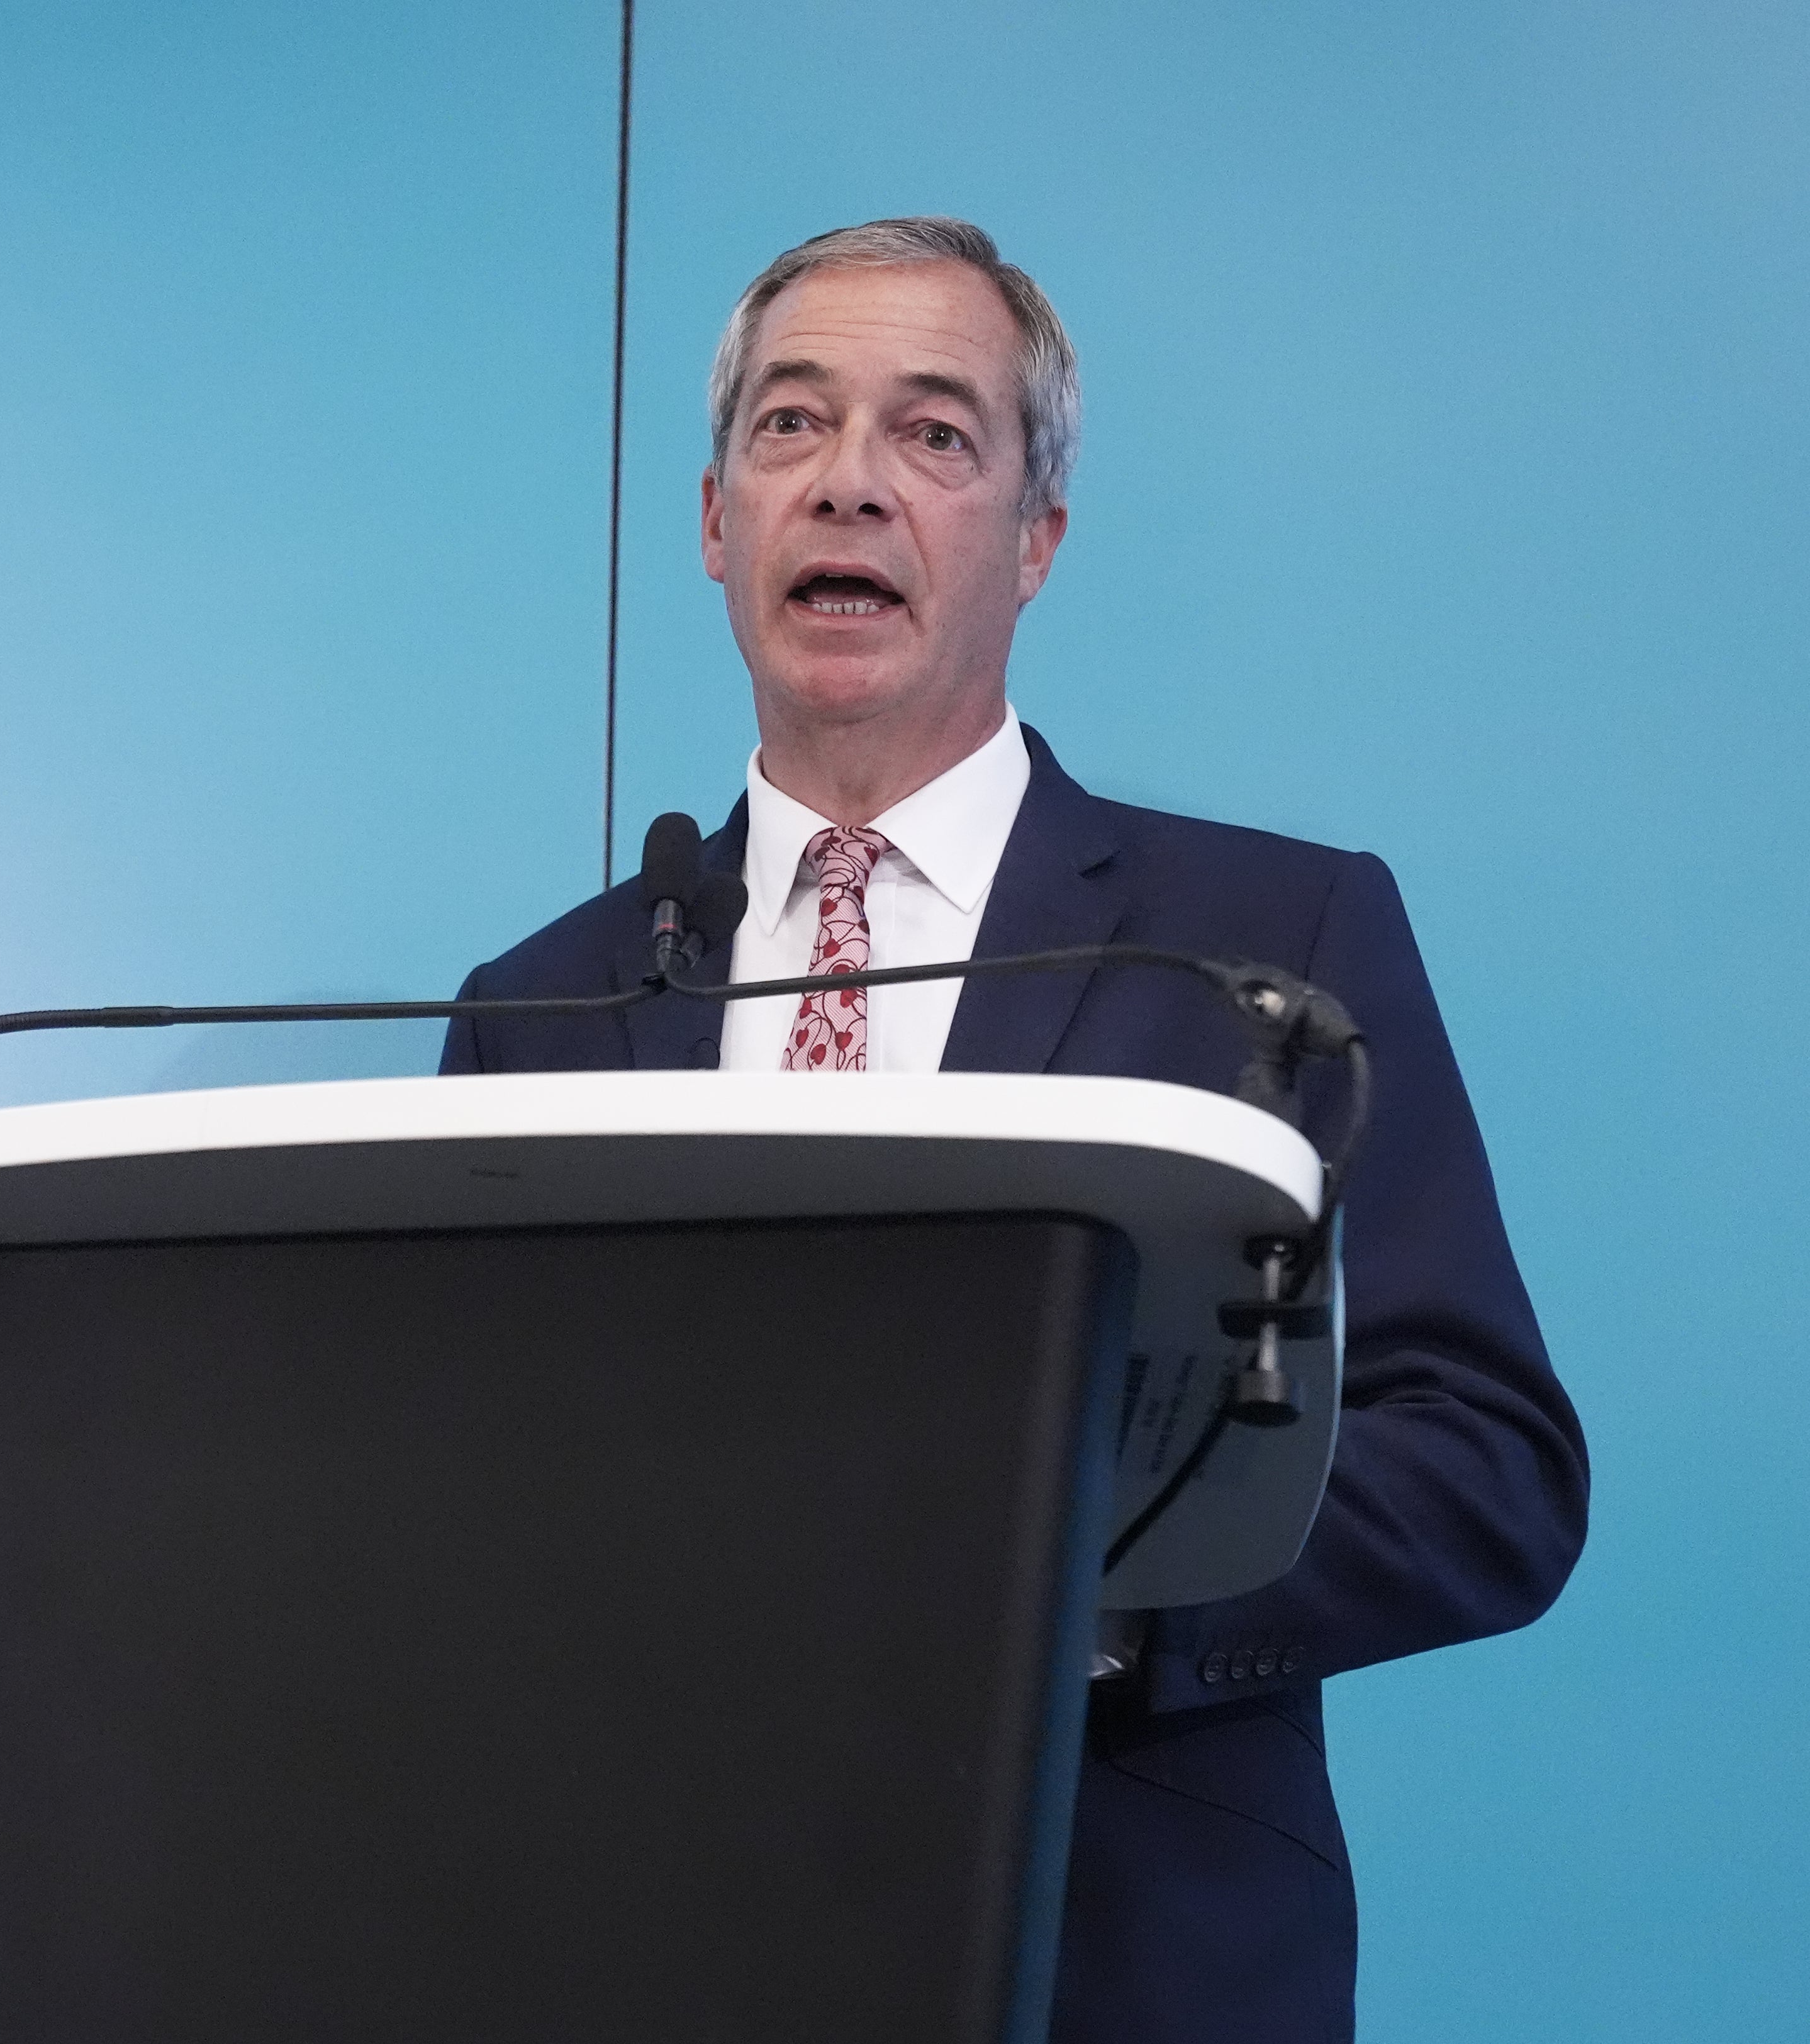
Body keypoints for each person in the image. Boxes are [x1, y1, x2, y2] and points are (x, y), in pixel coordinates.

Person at [441, 218, 1584, 2041]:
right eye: (790, 426)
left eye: (935, 434)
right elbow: (466, 1505)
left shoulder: (1266, 946)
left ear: (1033, 538)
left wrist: (1077, 1590)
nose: (851, 485)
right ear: (714, 521)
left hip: (1124, 1948)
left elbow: (1486, 1461)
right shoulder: (547, 998)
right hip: (653, 1936)